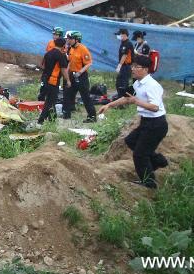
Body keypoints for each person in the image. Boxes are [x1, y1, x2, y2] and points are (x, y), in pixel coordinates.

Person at [98, 55, 168, 188]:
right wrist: (109, 105)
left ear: (146, 69)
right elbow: (126, 99)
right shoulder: (137, 83)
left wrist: (137, 101)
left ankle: (149, 182)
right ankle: (158, 161)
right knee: (130, 141)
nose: (133, 69)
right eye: (133, 66)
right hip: (146, 122)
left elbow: (155, 107)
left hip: (156, 124)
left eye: (136, 67)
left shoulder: (152, 85)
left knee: (140, 154)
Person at [64, 31, 97, 122]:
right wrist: (67, 74)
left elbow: (89, 63)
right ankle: (67, 114)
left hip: (81, 76)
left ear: (76, 39)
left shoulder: (83, 49)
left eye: (70, 39)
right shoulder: (71, 48)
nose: (68, 40)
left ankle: (92, 117)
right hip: (72, 74)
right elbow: (70, 61)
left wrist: (80, 72)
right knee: (68, 94)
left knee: (85, 97)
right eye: (68, 39)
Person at [39, 37, 70, 124]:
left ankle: (52, 119)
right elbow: (63, 70)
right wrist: (68, 80)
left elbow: (42, 66)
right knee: (50, 101)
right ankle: (40, 121)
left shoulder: (48, 53)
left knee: (50, 99)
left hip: (45, 79)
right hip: (53, 80)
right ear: (63, 46)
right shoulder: (60, 55)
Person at [114, 28, 135, 98]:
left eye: (119, 34)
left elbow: (125, 55)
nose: (118, 36)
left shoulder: (127, 43)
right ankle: (120, 98)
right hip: (123, 66)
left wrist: (119, 65)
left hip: (126, 66)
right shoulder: (123, 43)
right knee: (118, 83)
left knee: (123, 84)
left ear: (124, 34)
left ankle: (124, 101)